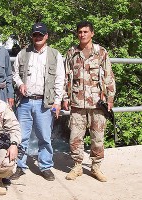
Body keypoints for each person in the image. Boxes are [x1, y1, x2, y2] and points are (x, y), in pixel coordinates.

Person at [10, 22, 65, 181]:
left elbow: (60, 79)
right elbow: (14, 74)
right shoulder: (23, 53)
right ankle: (19, 166)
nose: (38, 37)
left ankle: (45, 166)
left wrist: (57, 101)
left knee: (45, 137)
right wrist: (20, 84)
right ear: (32, 36)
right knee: (21, 136)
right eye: (35, 34)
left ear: (46, 36)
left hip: (45, 103)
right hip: (25, 102)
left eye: (41, 34)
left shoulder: (55, 55)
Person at [63, 21, 116, 182]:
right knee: (75, 137)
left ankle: (96, 167)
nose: (82, 34)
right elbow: (65, 77)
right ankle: (77, 166)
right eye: (80, 32)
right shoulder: (71, 52)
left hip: (97, 103)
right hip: (77, 103)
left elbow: (109, 76)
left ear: (92, 33)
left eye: (86, 32)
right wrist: (65, 98)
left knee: (97, 137)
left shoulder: (101, 53)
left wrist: (110, 98)